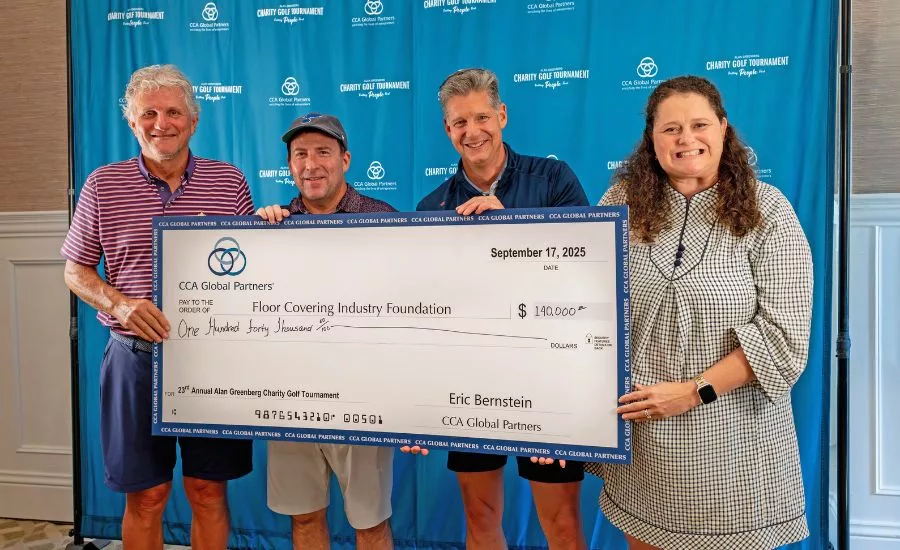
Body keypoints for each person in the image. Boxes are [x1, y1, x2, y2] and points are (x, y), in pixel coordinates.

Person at [586, 75, 812, 549]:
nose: (686, 139)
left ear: (724, 129)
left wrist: (692, 393)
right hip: (644, 447)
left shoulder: (769, 210)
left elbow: (783, 339)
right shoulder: (621, 203)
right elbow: (580, 306)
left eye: (699, 124)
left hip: (734, 451)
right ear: (652, 139)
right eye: (670, 129)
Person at [61, 64, 254, 550]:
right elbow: (75, 270)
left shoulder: (228, 182)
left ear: (193, 121)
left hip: (213, 362)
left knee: (208, 491)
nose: (160, 123)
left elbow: (255, 271)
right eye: (148, 113)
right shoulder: (102, 185)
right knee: (146, 497)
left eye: (173, 112)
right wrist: (119, 304)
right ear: (132, 122)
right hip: (133, 359)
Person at [409, 68, 590, 550]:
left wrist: (511, 229)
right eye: (459, 122)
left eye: (482, 117)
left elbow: (588, 271)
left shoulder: (553, 180)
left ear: (502, 115)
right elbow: (424, 315)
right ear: (447, 130)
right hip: (470, 383)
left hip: (550, 380)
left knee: (562, 524)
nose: (473, 132)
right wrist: (411, 402)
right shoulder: (432, 208)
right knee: (481, 517)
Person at [256, 112, 396, 550]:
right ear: (289, 165)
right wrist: (256, 236)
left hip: (363, 397)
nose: (311, 164)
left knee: (370, 522)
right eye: (300, 154)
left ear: (346, 159)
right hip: (291, 397)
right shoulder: (269, 227)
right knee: (303, 517)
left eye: (323, 152)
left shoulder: (384, 220)